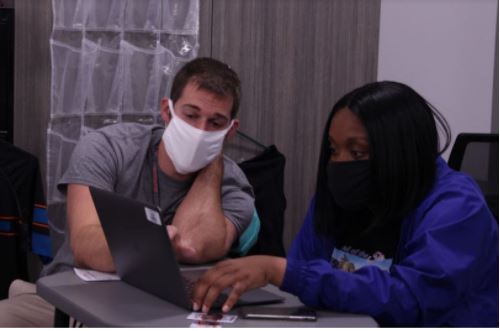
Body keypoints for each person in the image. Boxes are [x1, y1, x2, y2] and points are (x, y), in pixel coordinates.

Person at [192, 81, 499, 327]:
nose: (339, 163)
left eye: (358, 152)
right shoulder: (338, 194)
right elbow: (308, 270)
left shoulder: (457, 207)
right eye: (334, 149)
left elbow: (412, 300)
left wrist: (280, 270)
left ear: (399, 152)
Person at [0, 57, 257, 326]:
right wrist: (151, 246)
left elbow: (192, 246)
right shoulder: (108, 148)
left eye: (215, 123)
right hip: (72, 296)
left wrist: (212, 159)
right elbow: (85, 245)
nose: (200, 131)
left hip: (164, 312)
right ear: (167, 111)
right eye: (191, 116)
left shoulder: (233, 185)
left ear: (231, 131)